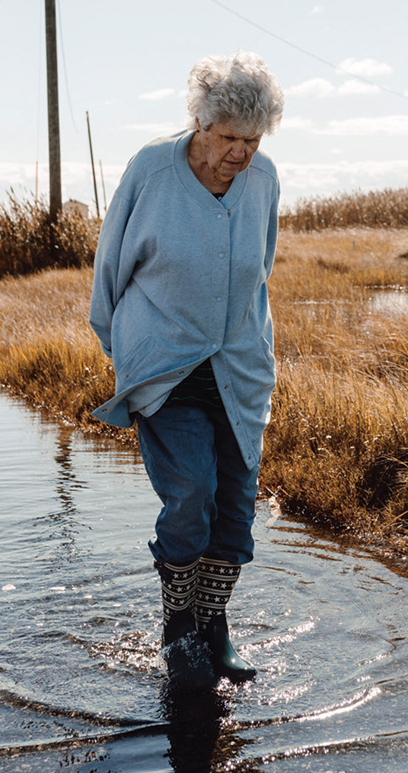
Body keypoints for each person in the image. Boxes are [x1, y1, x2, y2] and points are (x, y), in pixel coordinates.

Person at [89, 52, 283, 684]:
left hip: (237, 368)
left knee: (235, 506)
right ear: (199, 123)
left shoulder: (264, 179)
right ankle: (178, 625)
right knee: (191, 491)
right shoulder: (151, 169)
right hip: (164, 366)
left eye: (252, 140)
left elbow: (262, 268)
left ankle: (214, 625)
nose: (240, 154)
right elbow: (110, 266)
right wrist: (119, 350)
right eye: (228, 138)